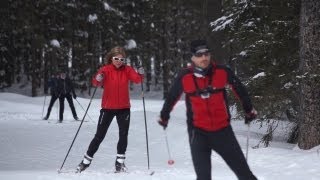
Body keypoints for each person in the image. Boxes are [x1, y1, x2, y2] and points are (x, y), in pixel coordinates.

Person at [158, 40, 258, 180]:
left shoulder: (222, 72)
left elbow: (240, 89)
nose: (204, 58)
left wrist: (249, 110)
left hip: (223, 132)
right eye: (199, 55)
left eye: (206, 53)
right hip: (198, 134)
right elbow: (172, 97)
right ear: (192, 57)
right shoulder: (185, 76)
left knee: (245, 175)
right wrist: (164, 116)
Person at [76, 46, 144, 173]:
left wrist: (140, 72)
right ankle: (85, 162)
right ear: (111, 58)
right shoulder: (105, 69)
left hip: (124, 108)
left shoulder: (127, 70)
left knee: (123, 135)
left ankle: (119, 163)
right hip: (107, 108)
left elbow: (137, 80)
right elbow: (96, 83)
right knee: (99, 135)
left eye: (121, 59)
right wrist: (97, 79)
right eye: (116, 58)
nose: (119, 61)